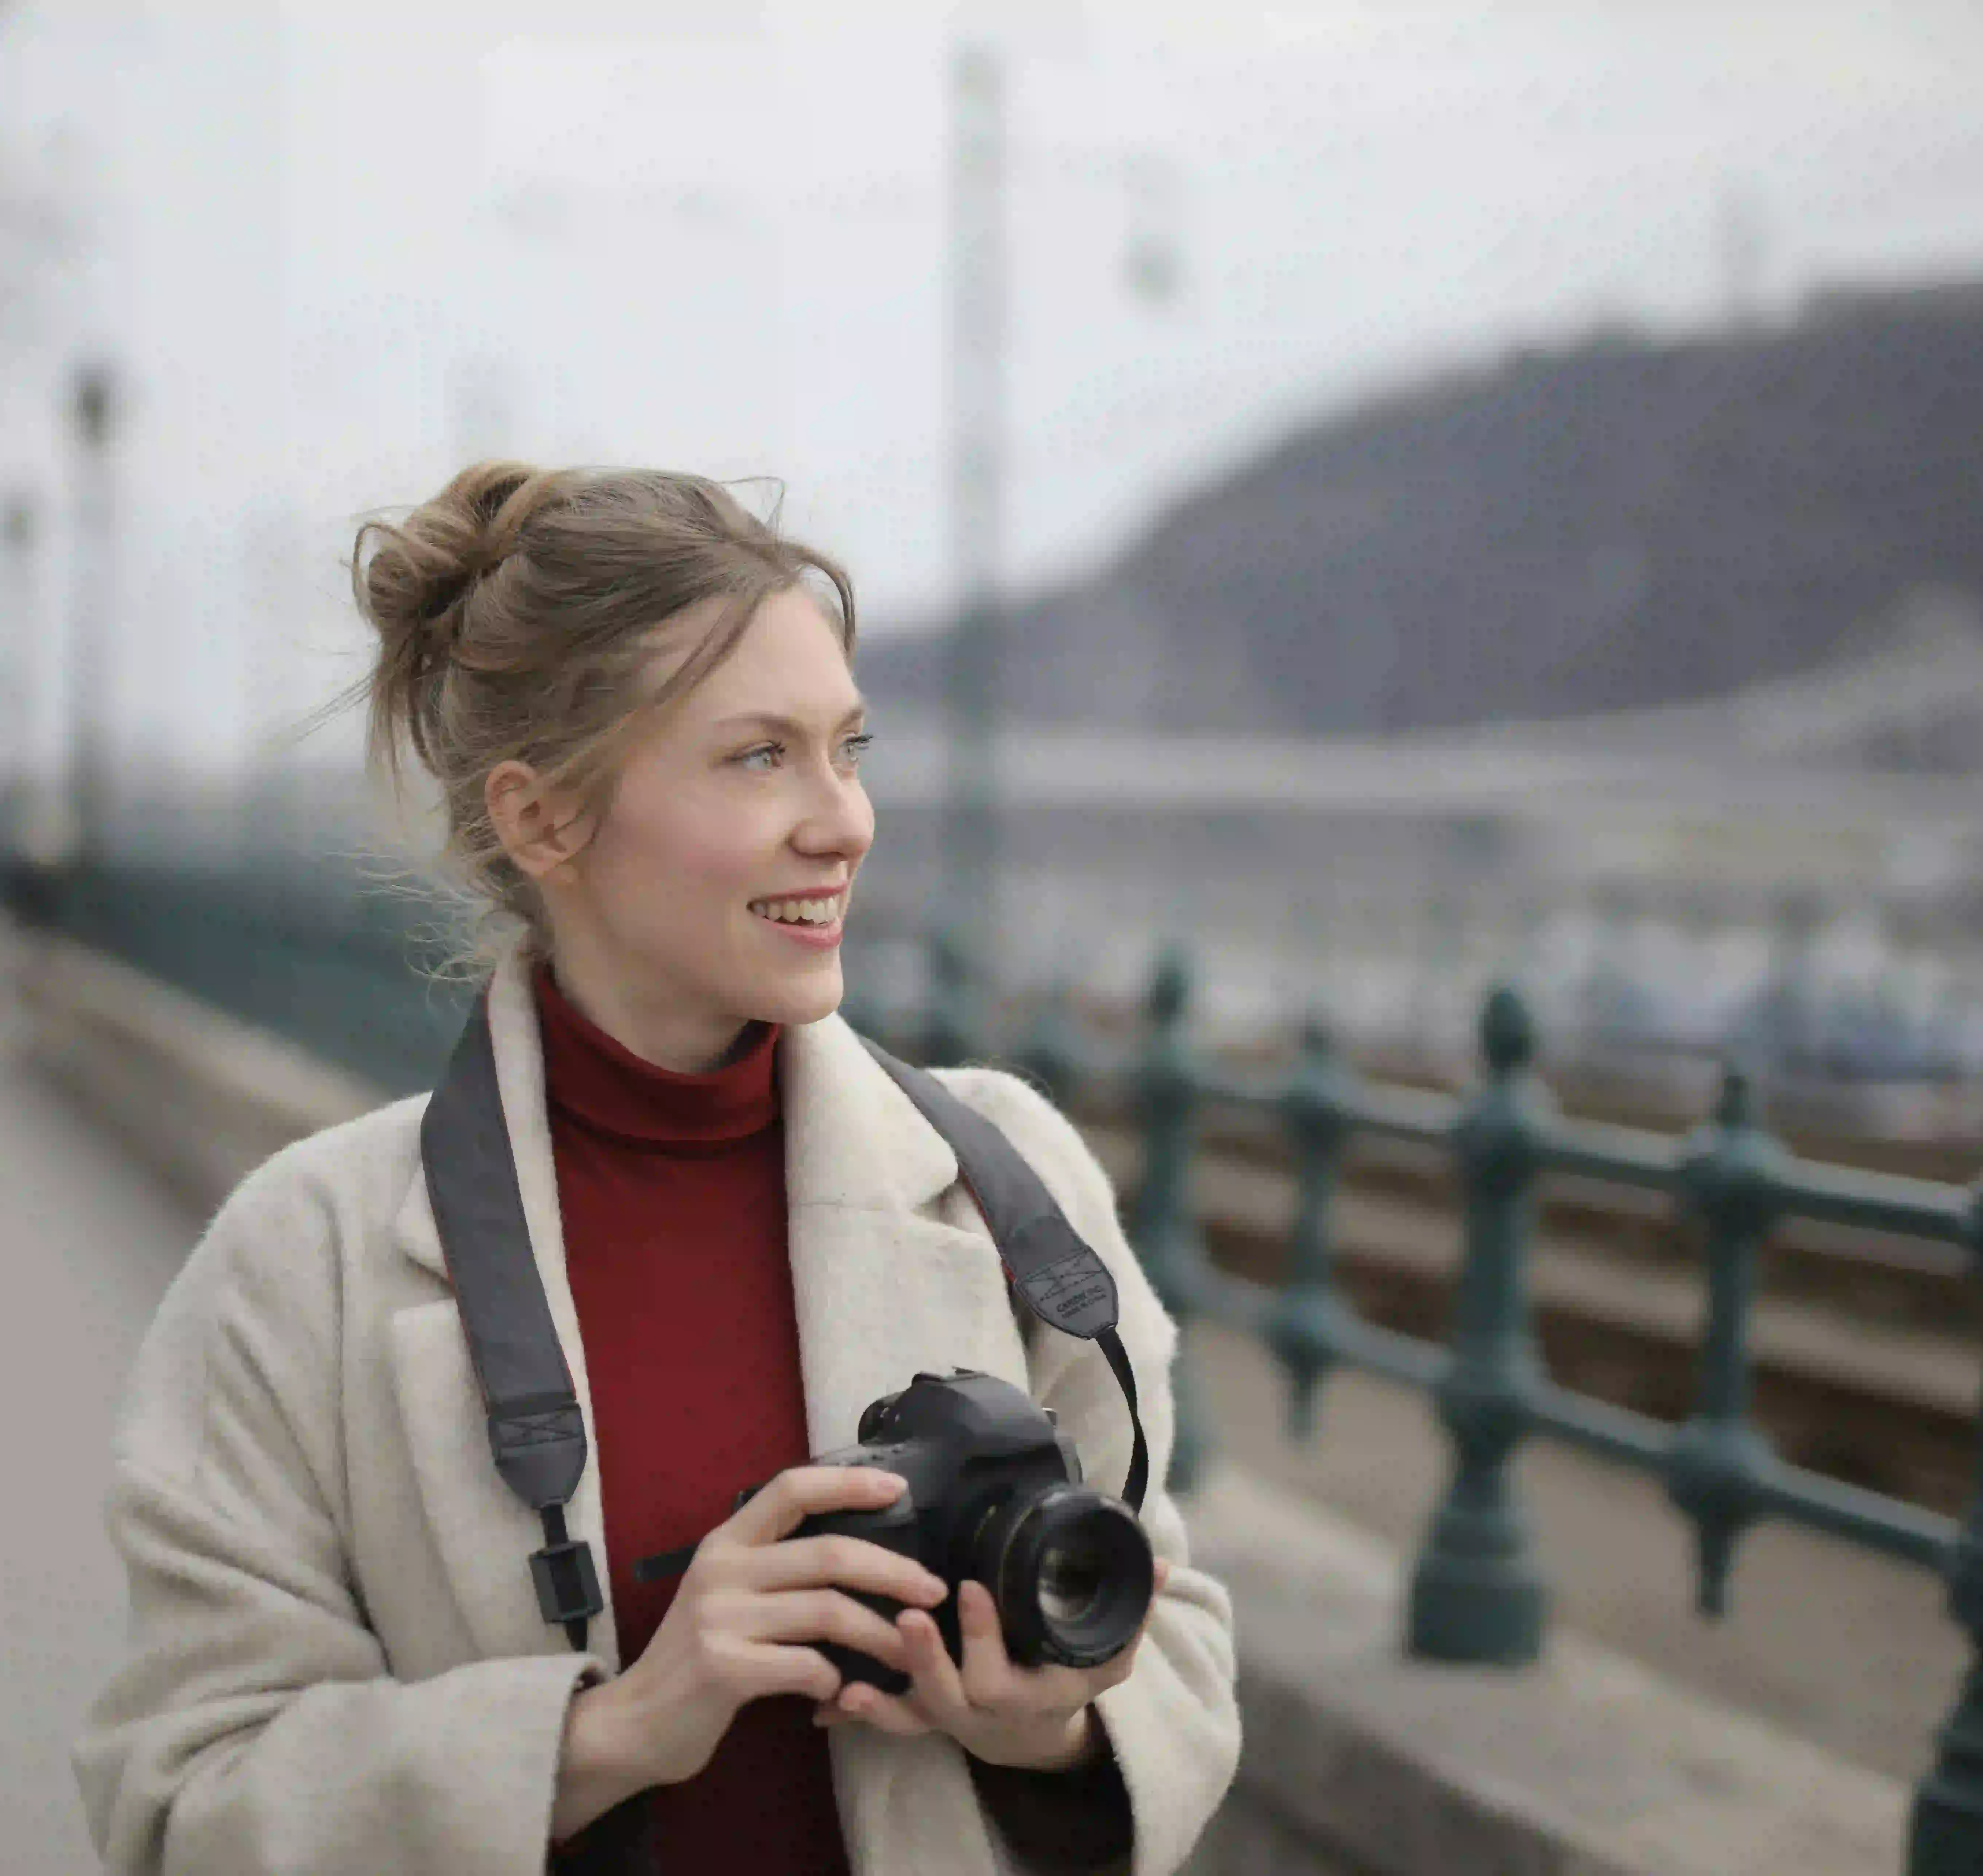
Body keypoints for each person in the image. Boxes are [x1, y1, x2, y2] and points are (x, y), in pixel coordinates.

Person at [69, 464, 1240, 1875]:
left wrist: (1041, 1732)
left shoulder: (1006, 1178)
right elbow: (182, 1799)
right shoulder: (306, 1256)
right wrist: (614, 1731)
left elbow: (1171, 1636)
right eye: (761, 757)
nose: (844, 822)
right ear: (543, 819)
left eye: (849, 749)